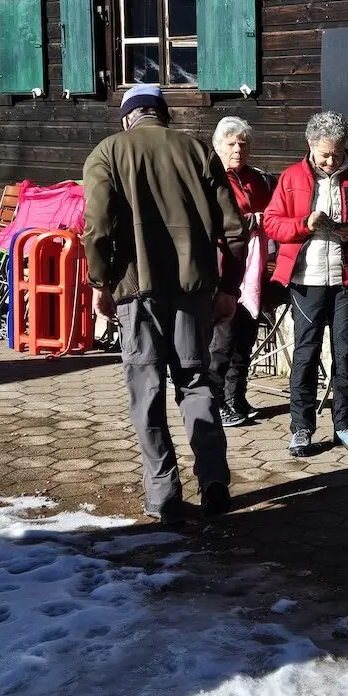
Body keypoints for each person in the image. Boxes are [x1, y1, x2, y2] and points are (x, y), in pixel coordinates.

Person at [82, 84, 248, 524]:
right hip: (194, 290)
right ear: (163, 115)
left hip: (136, 291)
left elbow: (96, 228)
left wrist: (99, 282)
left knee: (146, 390)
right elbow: (234, 229)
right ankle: (214, 482)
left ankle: (164, 492)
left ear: (127, 118)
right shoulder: (197, 151)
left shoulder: (108, 152)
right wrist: (230, 287)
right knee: (196, 384)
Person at [263, 112, 348, 457]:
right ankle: (301, 429)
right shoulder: (290, 177)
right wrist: (304, 223)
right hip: (306, 279)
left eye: (337, 152)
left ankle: (345, 425)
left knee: (346, 353)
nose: (331, 160)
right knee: (306, 354)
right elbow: (272, 224)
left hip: (347, 279)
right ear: (310, 145)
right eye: (324, 154)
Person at [208, 116, 275, 427]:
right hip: (223, 270)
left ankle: (236, 396)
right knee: (222, 339)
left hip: (254, 271)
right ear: (218, 146)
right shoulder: (210, 178)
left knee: (245, 336)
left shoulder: (257, 179)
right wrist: (252, 222)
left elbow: (273, 215)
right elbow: (212, 223)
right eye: (231, 143)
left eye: (243, 144)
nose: (238, 149)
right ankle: (215, 402)